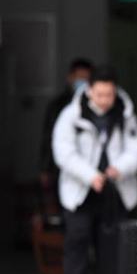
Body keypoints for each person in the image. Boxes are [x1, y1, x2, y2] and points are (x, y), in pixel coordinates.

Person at [52, 66, 137, 274]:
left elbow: (136, 148)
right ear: (89, 90)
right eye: (100, 94)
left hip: (115, 188)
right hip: (80, 190)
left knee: (114, 243)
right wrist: (90, 176)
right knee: (77, 239)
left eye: (109, 95)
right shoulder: (71, 115)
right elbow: (63, 153)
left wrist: (119, 168)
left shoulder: (125, 114)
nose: (104, 100)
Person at [40, 58, 93, 187]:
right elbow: (48, 136)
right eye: (79, 78)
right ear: (70, 77)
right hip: (61, 168)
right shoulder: (58, 106)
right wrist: (45, 168)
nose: (83, 83)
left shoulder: (95, 106)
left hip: (90, 168)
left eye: (86, 79)